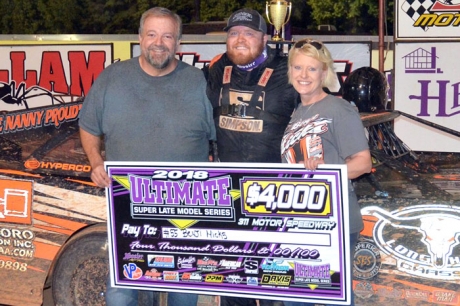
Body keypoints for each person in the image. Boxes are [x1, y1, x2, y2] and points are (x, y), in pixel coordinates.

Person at [78, 7, 215, 306]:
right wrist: (96, 161)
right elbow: (88, 126)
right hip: (128, 209)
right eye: (152, 34)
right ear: (140, 37)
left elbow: (220, 141)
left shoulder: (200, 84)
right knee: (121, 296)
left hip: (185, 213)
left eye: (167, 36)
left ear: (178, 42)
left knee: (183, 296)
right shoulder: (111, 79)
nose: (159, 42)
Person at [204, 7, 297, 306]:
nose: (240, 39)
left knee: (273, 288)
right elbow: (200, 119)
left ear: (266, 37)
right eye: (233, 33)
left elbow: (317, 112)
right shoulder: (217, 70)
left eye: (248, 33)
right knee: (233, 283)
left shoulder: (289, 69)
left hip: (274, 195)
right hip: (228, 195)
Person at [280, 38, 372, 306]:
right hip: (301, 220)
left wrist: (324, 171)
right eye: (298, 68)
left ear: (324, 72)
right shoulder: (298, 111)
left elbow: (362, 163)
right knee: (296, 298)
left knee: (331, 299)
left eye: (312, 69)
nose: (304, 75)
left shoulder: (338, 109)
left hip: (334, 222)